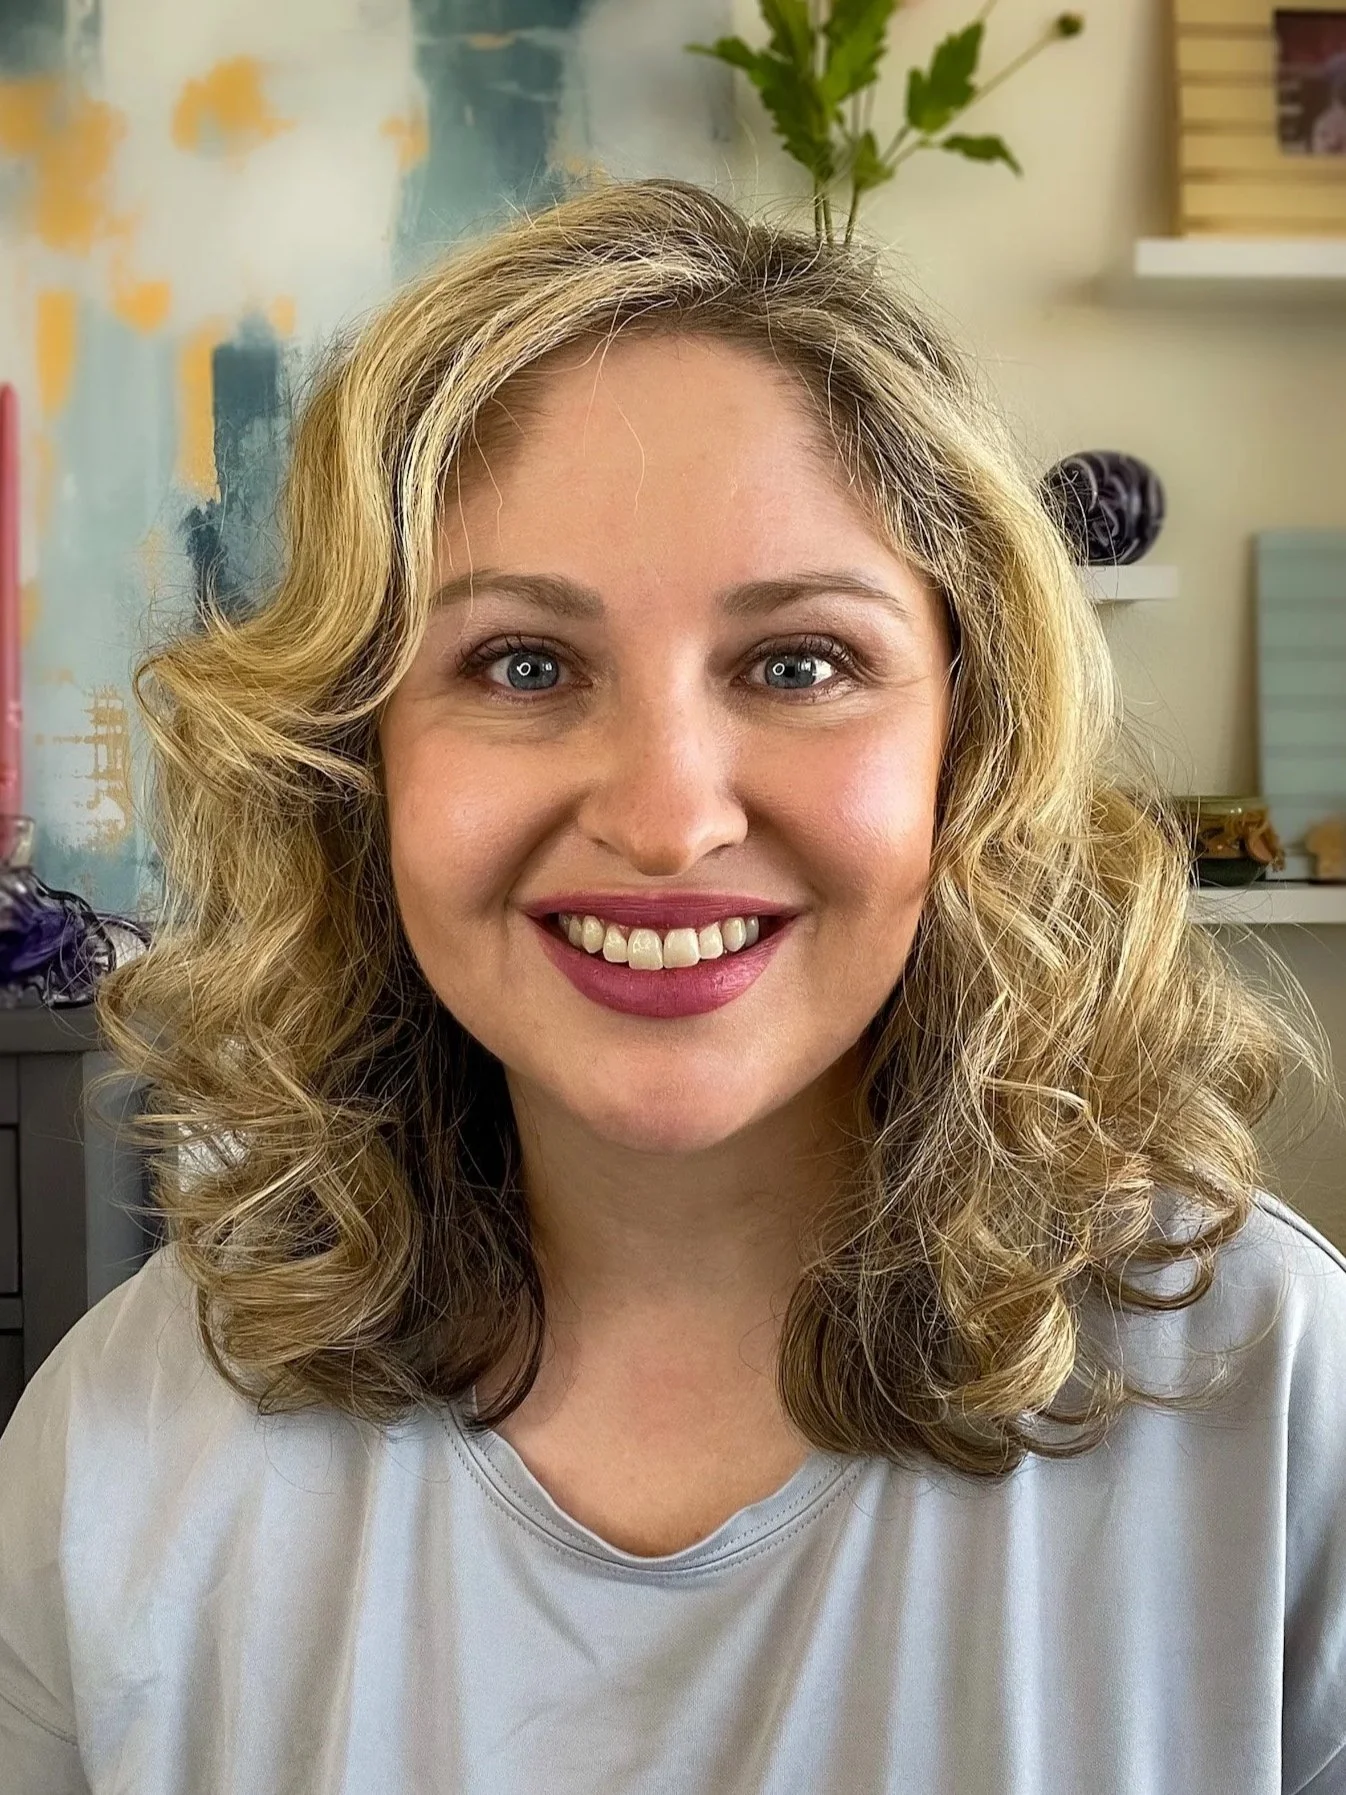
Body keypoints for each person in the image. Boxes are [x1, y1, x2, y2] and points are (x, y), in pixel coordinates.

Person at [1, 175, 1344, 1794]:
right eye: (521, 665)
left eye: (797, 663)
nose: (663, 816)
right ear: (361, 767)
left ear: (964, 749)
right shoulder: (126, 1446)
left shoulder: (1268, 1398)